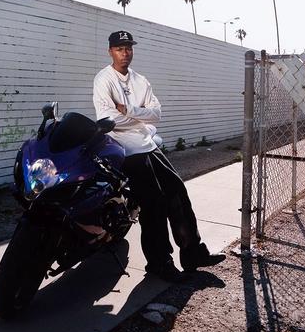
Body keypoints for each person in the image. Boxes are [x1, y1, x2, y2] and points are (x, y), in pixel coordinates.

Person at [93, 30, 226, 283]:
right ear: (110, 51)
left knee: (178, 193)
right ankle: (159, 263)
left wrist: (129, 110)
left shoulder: (140, 80)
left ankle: (193, 253)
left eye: (128, 48)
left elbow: (157, 114)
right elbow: (109, 120)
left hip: (146, 144)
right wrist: (140, 115)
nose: (125, 53)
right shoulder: (104, 80)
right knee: (154, 203)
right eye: (119, 49)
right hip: (124, 149)